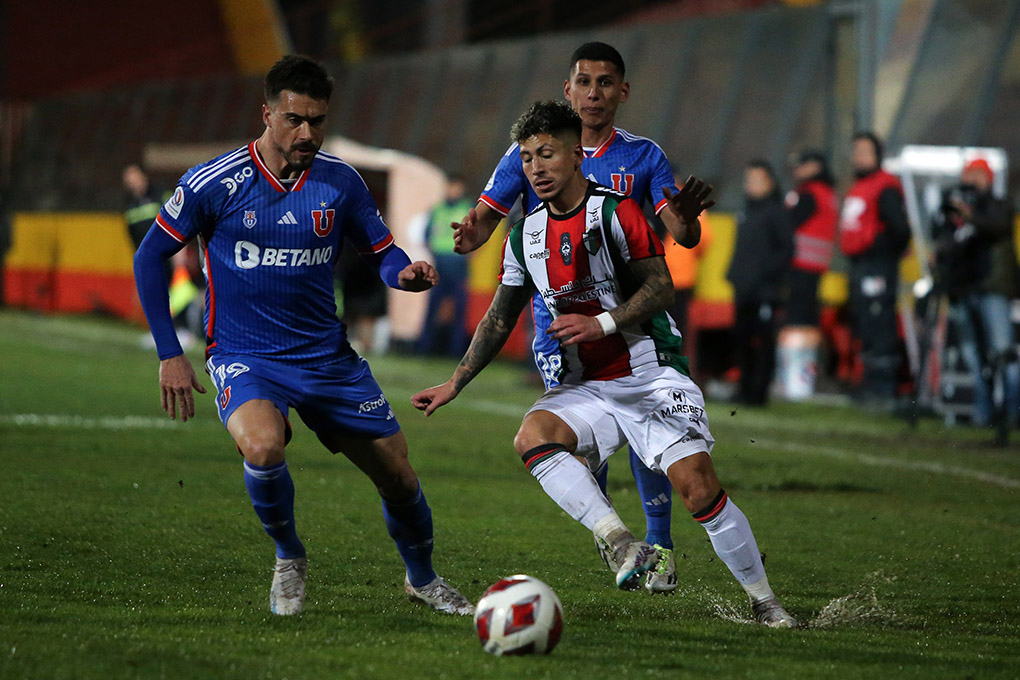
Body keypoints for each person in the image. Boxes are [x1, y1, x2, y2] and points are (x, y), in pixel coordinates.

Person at [413, 101, 796, 628]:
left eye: (546, 155)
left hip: (650, 373)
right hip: (587, 385)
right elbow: (500, 319)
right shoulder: (524, 236)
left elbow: (662, 287)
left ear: (576, 155)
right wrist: (455, 382)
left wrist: (603, 323)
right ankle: (621, 543)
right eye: (526, 159)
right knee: (533, 435)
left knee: (698, 489)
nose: (536, 169)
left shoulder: (617, 212)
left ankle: (764, 601)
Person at [133, 55, 473, 617]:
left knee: (397, 472)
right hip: (246, 355)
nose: (307, 132)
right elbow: (151, 257)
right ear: (267, 114)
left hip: (327, 359)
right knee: (263, 445)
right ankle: (289, 557)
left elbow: (382, 251)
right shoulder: (214, 184)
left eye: (317, 120)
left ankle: (423, 578)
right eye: (294, 119)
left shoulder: (341, 181)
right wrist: (171, 353)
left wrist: (403, 273)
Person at [451, 41, 714, 594]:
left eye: (604, 83)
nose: (593, 93)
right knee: (576, 443)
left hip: (629, 322)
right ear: (567, 89)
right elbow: (481, 225)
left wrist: (685, 220)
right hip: (561, 333)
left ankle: (658, 547)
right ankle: (615, 537)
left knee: (645, 431)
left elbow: (682, 235)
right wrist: (470, 235)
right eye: (583, 82)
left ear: (622, 91)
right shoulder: (530, 152)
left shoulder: (642, 156)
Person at [933, 158, 1019, 426]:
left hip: (992, 288)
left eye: (975, 174)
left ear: (988, 177)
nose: (969, 180)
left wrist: (967, 214)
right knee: (973, 355)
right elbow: (944, 241)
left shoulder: (998, 205)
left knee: (1003, 351)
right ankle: (984, 413)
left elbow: (997, 226)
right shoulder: (958, 211)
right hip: (964, 288)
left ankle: (1012, 411)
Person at [839, 132, 911, 410]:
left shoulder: (885, 187)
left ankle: (882, 389)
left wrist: (880, 250)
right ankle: (869, 385)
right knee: (865, 324)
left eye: (864, 151)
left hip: (876, 265)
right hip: (861, 264)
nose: (858, 157)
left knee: (879, 323)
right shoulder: (861, 185)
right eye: (855, 151)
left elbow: (900, 229)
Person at [726, 160, 794, 406]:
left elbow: (786, 250)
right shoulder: (746, 211)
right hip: (744, 289)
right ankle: (744, 389)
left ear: (769, 183)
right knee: (742, 340)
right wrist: (734, 274)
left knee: (763, 342)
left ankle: (759, 393)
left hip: (765, 290)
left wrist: (764, 276)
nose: (750, 185)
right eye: (748, 179)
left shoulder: (776, 213)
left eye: (756, 179)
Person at [778, 150, 839, 400]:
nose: (796, 171)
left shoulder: (809, 194)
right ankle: (805, 378)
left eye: (801, 165)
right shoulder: (828, 194)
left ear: (814, 166)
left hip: (801, 266)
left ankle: (794, 381)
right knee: (808, 321)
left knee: (796, 322)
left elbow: (787, 224)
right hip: (816, 267)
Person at [416, 175, 474, 356]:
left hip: (458, 266)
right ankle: (424, 348)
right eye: (450, 187)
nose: (453, 191)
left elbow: (476, 236)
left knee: (459, 310)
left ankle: (455, 351)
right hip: (440, 265)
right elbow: (426, 235)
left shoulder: (468, 208)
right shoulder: (437, 209)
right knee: (432, 308)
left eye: (456, 187)